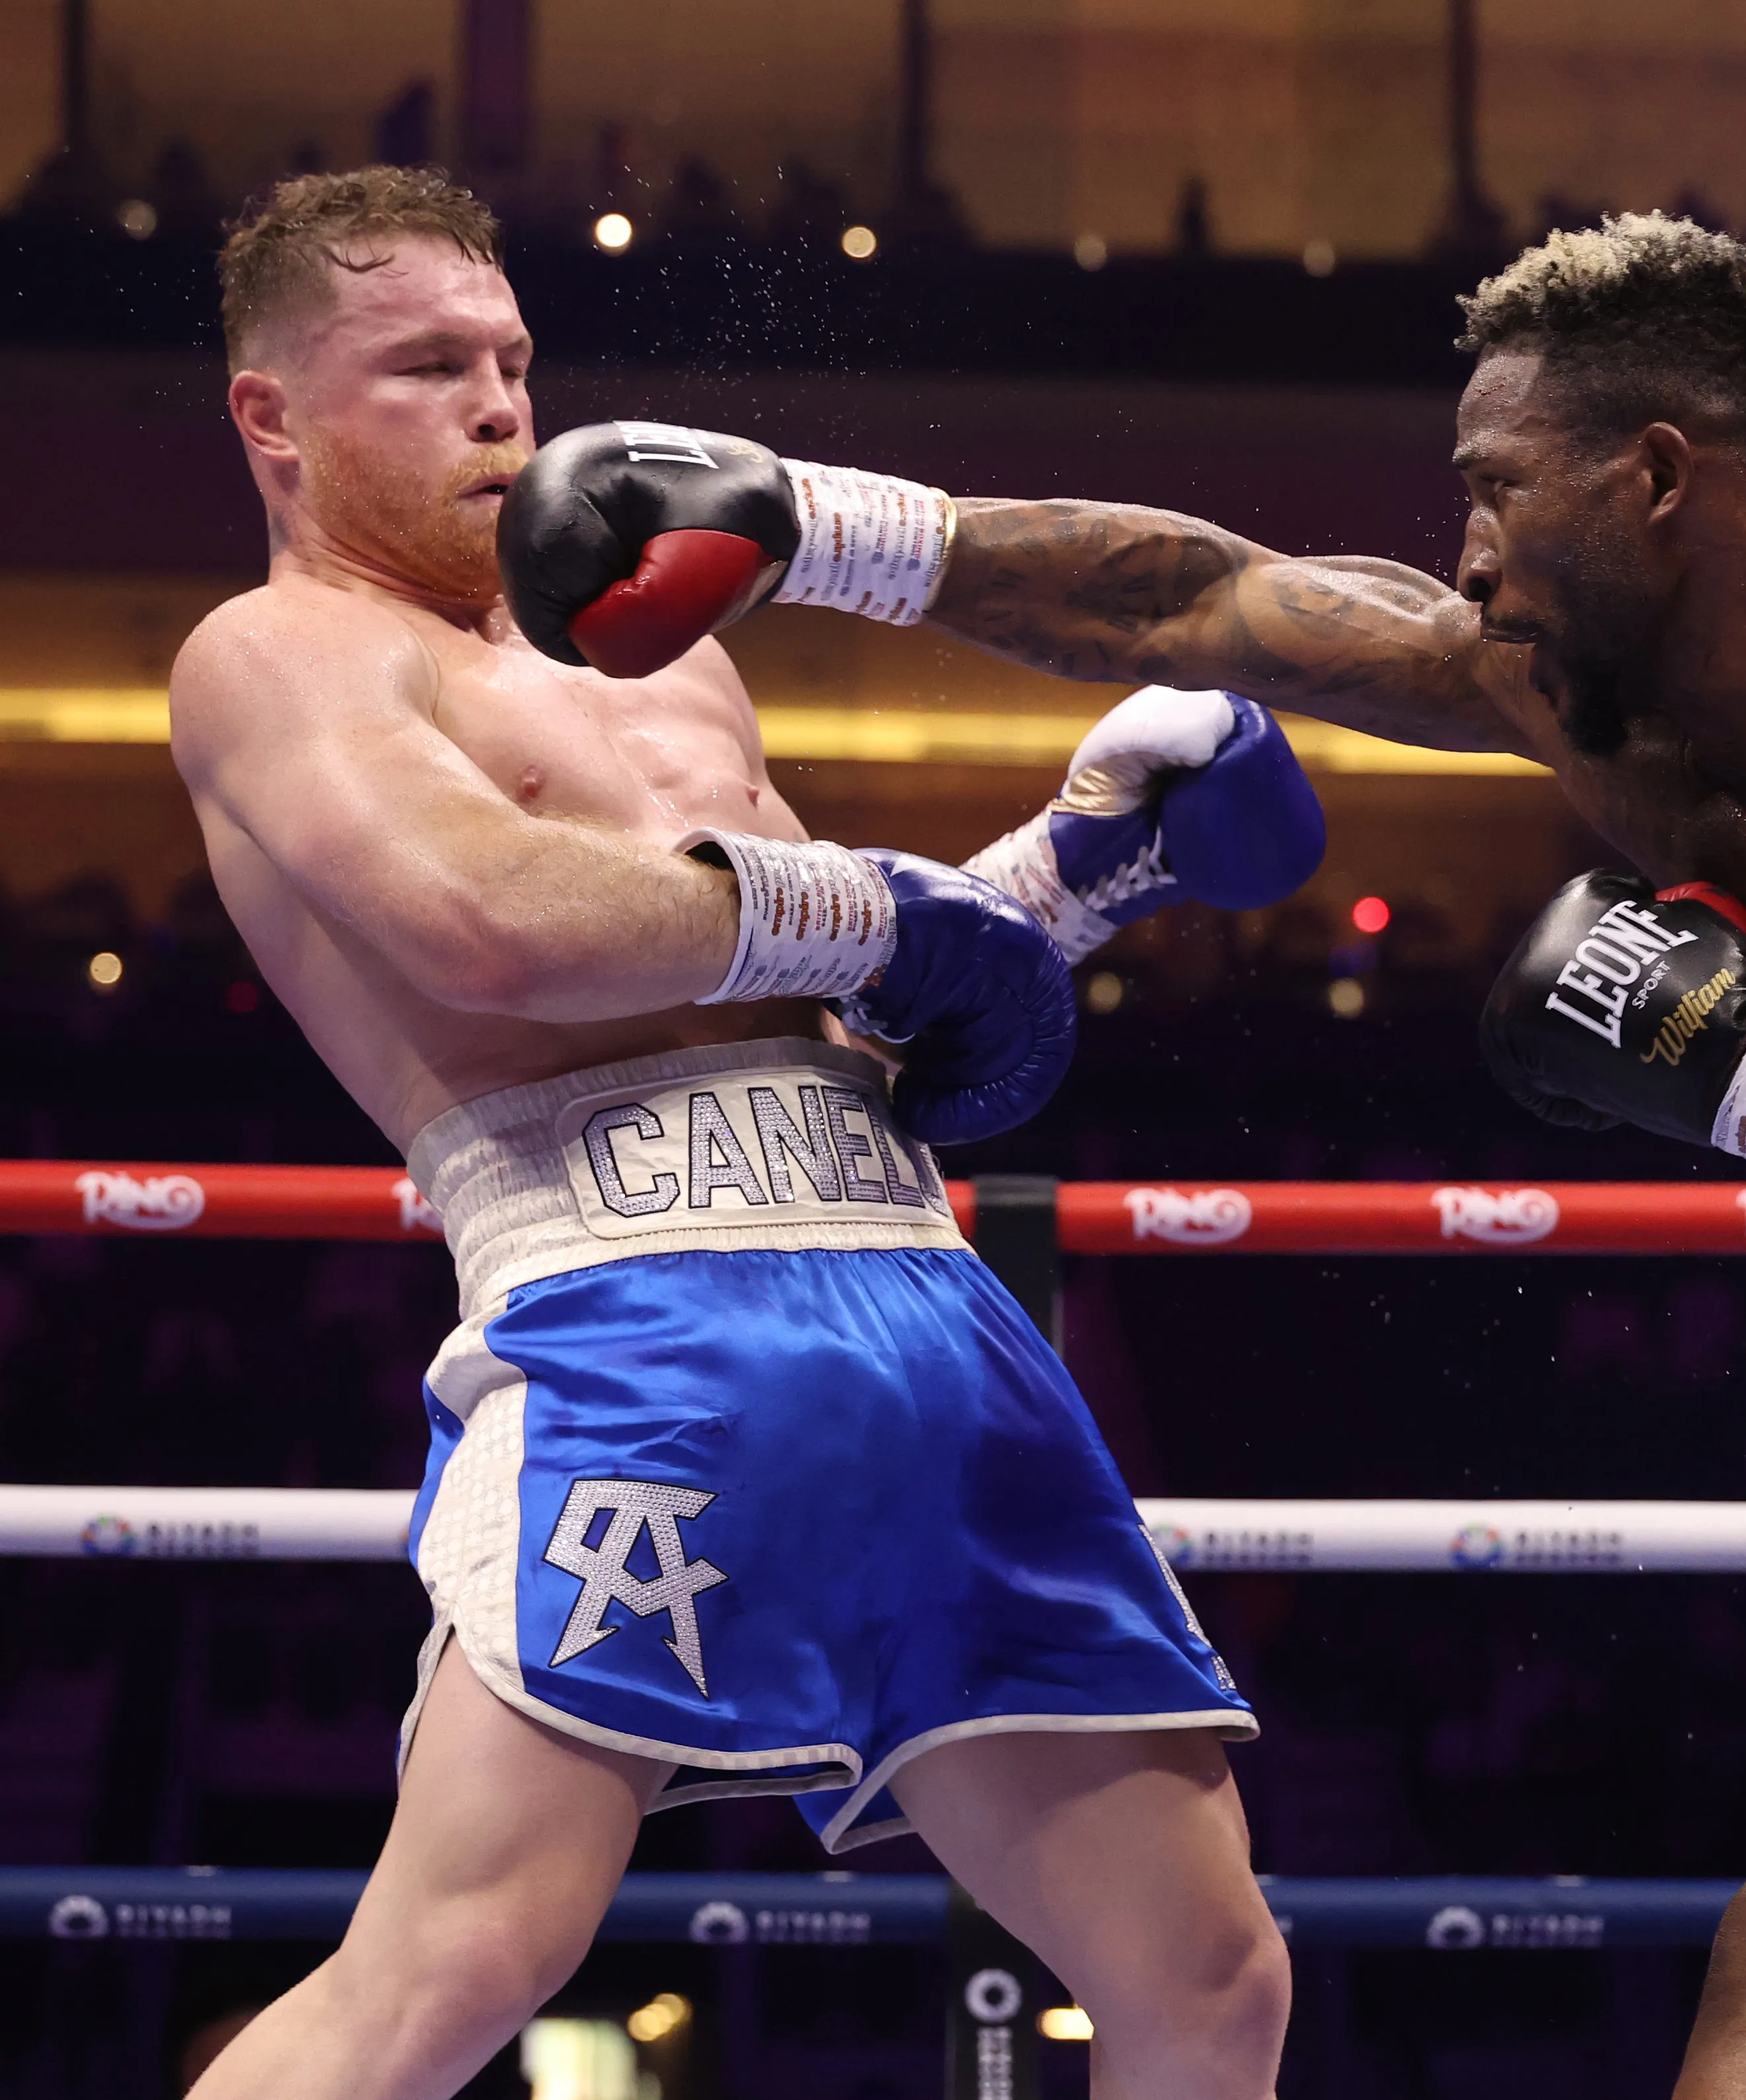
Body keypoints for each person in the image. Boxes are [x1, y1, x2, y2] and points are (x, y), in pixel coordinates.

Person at [502, 213, 1746, 2099]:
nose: (1465, 557)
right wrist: (812, 524)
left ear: (1655, 475)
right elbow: (1208, 600)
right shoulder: (1590, 712)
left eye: (1498, 487)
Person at [171, 167, 1318, 2100]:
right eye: (428, 366)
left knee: (1209, 1982)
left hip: (916, 1295)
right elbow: (497, 924)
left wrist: (1076, 862)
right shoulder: (277, 661)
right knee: (452, 1971)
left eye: (514, 361)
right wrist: (888, 908)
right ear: (270, 417)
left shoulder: (655, 645)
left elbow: (833, 991)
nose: (499, 409)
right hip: (641, 1311)